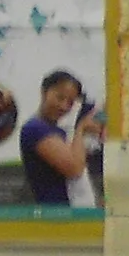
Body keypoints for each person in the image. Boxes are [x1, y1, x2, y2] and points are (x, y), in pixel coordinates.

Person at [18, 71, 101, 208]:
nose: (64, 106)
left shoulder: (61, 131)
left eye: (70, 102)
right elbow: (74, 169)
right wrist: (81, 129)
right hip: (59, 218)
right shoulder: (35, 128)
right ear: (44, 92)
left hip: (77, 214)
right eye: (59, 98)